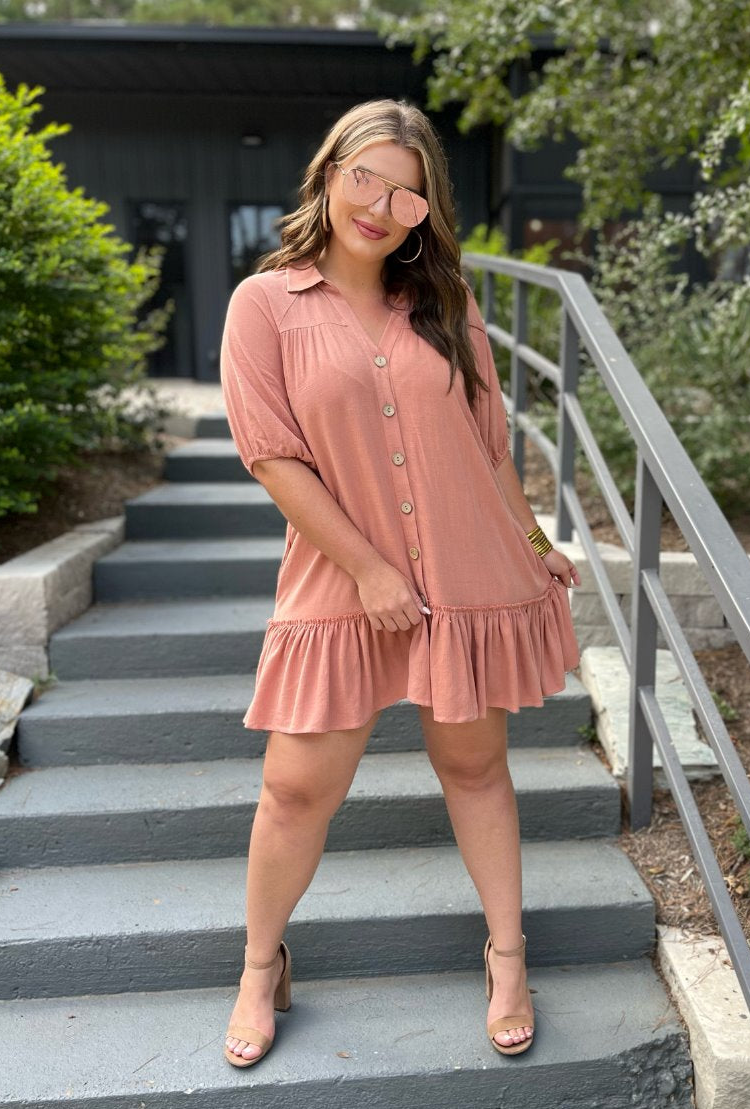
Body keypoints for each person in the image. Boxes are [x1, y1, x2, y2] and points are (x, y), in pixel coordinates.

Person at [219, 97, 582, 1069]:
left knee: (475, 769)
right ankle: (261, 967)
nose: (381, 207)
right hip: (342, 578)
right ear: (329, 173)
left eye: (408, 197)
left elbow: (488, 443)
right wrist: (371, 568)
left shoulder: (447, 306)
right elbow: (275, 457)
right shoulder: (266, 305)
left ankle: (508, 957)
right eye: (365, 179)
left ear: (428, 213)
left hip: (463, 574)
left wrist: (534, 538)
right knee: (295, 790)